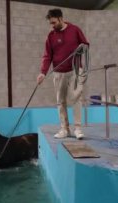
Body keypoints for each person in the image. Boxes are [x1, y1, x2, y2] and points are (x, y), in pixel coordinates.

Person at [36, 8, 89, 139]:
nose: (52, 26)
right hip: (59, 73)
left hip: (75, 70)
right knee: (61, 101)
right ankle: (64, 129)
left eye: (54, 22)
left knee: (76, 98)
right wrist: (43, 72)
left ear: (60, 18)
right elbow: (47, 56)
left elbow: (86, 44)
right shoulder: (51, 36)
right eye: (50, 23)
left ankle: (77, 129)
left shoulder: (75, 30)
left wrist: (81, 49)